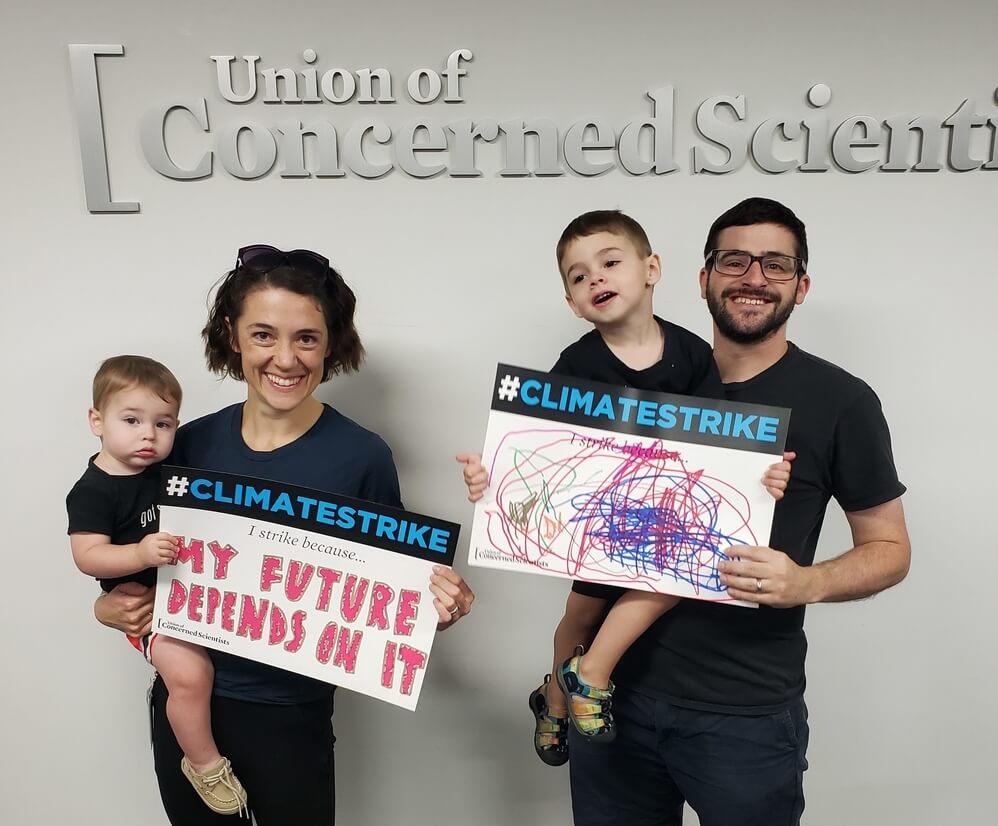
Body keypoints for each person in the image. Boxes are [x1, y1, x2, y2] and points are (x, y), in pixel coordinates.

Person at [94, 245, 475, 826]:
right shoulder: (181, 446)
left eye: (306, 338)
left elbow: (395, 591)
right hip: (189, 712)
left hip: (290, 716)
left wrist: (436, 607)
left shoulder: (363, 456)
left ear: (331, 343)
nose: (286, 358)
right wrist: (108, 605)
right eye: (264, 334)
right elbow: (124, 553)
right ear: (234, 335)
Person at [561, 197, 911, 826]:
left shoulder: (843, 401)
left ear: (801, 286)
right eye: (735, 261)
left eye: (776, 266)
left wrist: (808, 581)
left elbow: (890, 549)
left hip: (744, 717)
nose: (754, 277)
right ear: (703, 278)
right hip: (613, 699)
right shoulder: (636, 379)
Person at [457, 211, 792, 765]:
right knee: (581, 612)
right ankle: (557, 700)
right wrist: (489, 479)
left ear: (652, 269)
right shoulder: (574, 366)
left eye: (610, 263)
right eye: (579, 276)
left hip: (663, 514)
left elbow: (723, 448)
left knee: (672, 576)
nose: (597, 280)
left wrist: (764, 475)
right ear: (571, 302)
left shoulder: (692, 355)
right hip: (597, 517)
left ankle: (591, 673)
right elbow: (535, 448)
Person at [67, 355, 247, 815]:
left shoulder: (167, 476)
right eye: (132, 420)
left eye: (163, 424)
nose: (149, 434)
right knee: (189, 674)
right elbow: (87, 556)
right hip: (146, 607)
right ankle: (203, 764)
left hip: (188, 595)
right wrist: (138, 555)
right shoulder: (93, 490)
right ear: (96, 420)